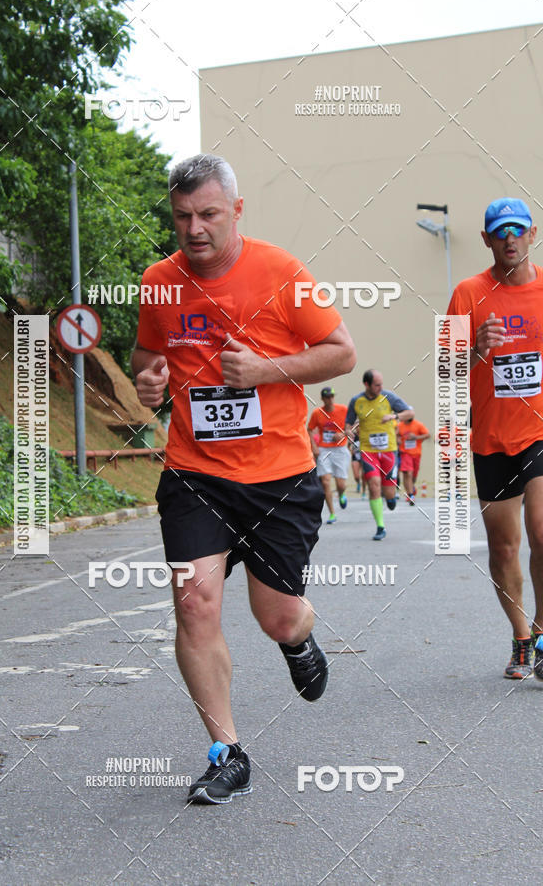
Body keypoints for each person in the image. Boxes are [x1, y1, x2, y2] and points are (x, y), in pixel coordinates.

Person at [132, 154, 356, 804]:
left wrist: (264, 371)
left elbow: (342, 351)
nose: (194, 229)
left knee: (276, 616)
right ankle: (226, 753)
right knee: (194, 603)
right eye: (182, 217)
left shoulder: (282, 272)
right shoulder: (159, 282)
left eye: (207, 214)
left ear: (235, 210)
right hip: (194, 474)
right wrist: (148, 379)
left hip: (278, 477)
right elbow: (147, 356)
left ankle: (300, 638)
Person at [447, 196, 543, 680]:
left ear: (531, 235)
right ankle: (522, 637)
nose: (510, 239)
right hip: (491, 439)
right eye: (500, 232)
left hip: (540, 432)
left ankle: (542, 633)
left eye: (517, 229)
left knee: (542, 532)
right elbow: (446, 371)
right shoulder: (467, 293)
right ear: (486, 239)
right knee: (504, 548)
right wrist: (476, 351)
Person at [345, 370, 413, 540]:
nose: (380, 387)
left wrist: (394, 416)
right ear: (366, 384)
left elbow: (409, 413)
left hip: (389, 450)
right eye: (377, 385)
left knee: (389, 493)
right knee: (374, 485)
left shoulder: (388, 397)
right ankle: (380, 526)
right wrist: (349, 432)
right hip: (368, 451)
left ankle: (391, 499)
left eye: (381, 384)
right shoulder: (356, 401)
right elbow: (348, 424)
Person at [307, 387, 350, 524]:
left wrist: (342, 434)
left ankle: (341, 494)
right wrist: (314, 446)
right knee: (325, 482)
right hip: (324, 450)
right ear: (322, 399)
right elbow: (309, 429)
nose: (330, 399)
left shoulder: (343, 410)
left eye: (332, 396)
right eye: (327, 397)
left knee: (341, 484)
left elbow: (354, 425)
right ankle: (332, 514)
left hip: (340, 450)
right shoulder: (317, 413)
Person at [398, 416, 430, 504]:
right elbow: (396, 436)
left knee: (413, 476)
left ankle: (411, 487)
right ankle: (410, 495)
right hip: (405, 453)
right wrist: (398, 440)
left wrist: (416, 437)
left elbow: (427, 435)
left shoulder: (418, 425)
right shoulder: (399, 426)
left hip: (416, 453)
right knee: (407, 473)